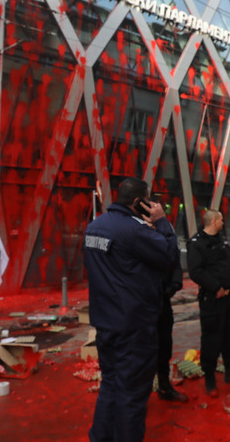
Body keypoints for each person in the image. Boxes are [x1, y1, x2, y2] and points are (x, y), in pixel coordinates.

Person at [84, 177, 179, 442]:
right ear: (139, 202)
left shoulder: (95, 226)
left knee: (111, 386)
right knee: (132, 396)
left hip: (106, 322)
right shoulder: (133, 230)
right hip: (134, 326)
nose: (152, 205)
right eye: (149, 201)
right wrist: (162, 222)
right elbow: (170, 257)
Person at [188, 209, 230, 397]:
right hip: (212, 298)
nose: (223, 223)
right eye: (221, 220)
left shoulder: (222, 241)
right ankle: (210, 379)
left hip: (228, 297)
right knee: (212, 338)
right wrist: (216, 288)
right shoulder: (197, 243)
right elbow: (196, 272)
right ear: (214, 221)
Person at [156, 250, 187, 402]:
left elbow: (175, 264)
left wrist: (172, 286)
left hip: (162, 302)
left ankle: (164, 386)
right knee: (140, 349)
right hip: (140, 303)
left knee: (164, 345)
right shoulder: (133, 233)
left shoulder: (165, 233)